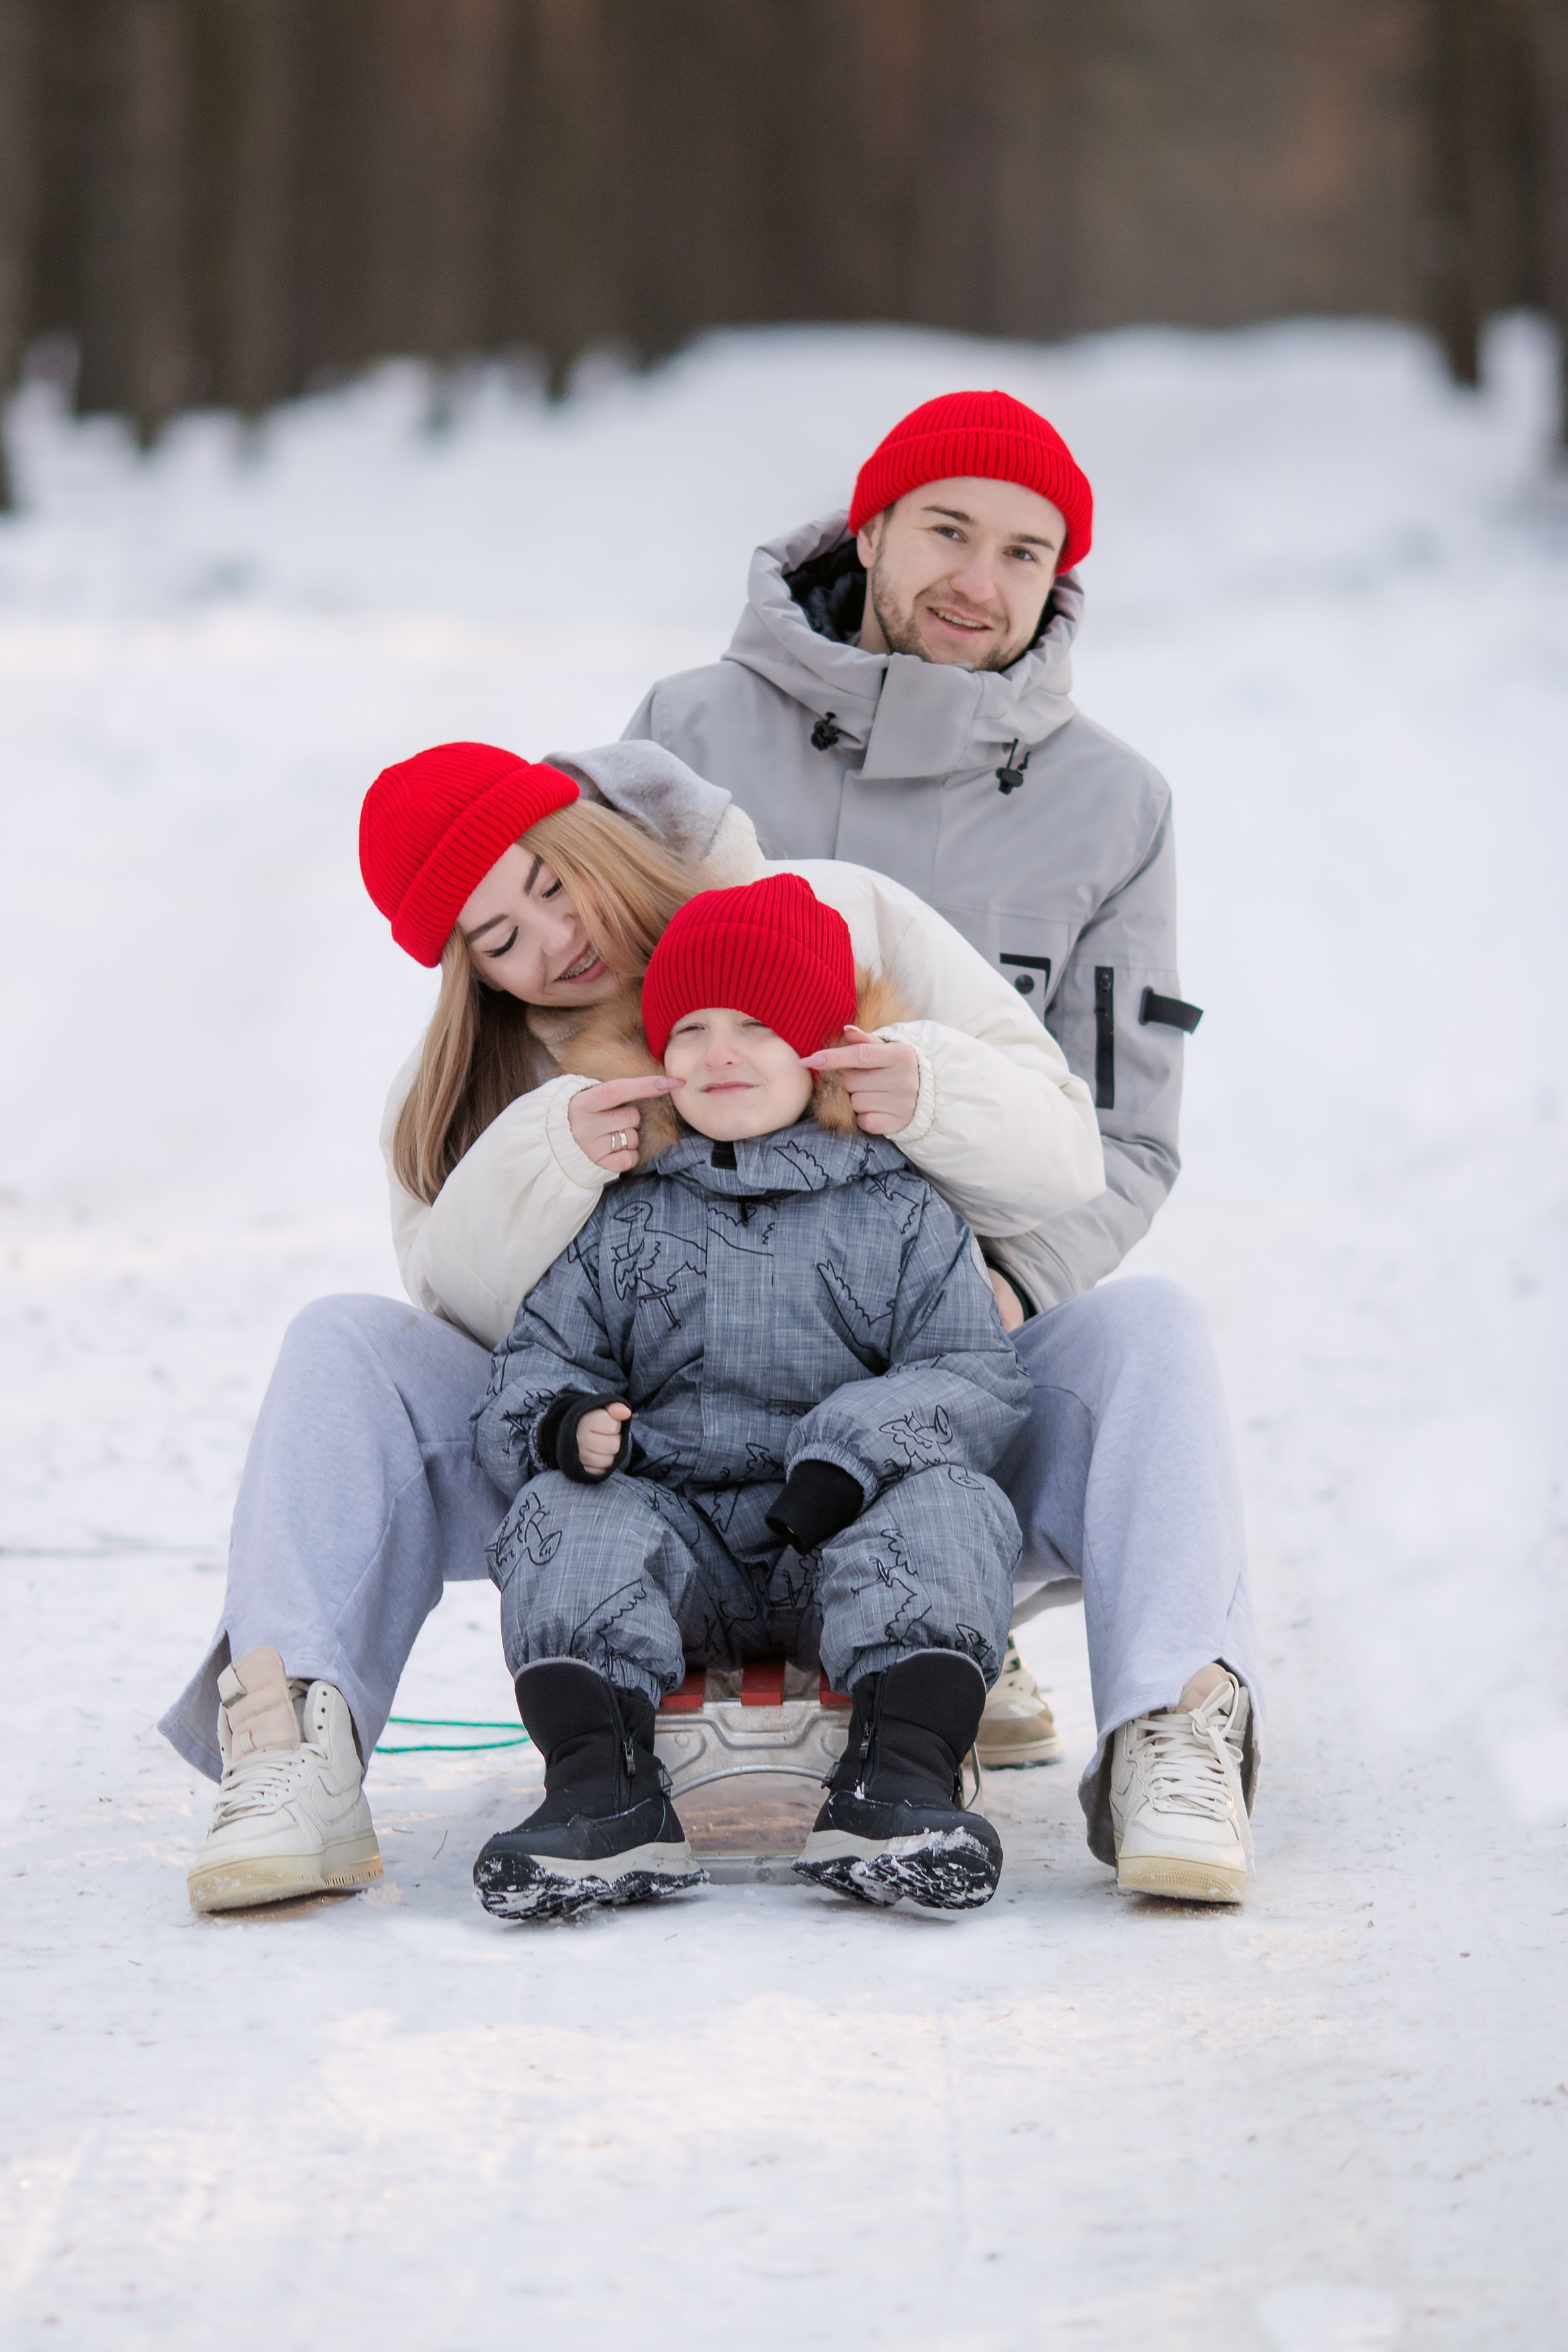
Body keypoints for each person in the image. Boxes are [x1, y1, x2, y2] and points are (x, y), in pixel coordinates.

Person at [165, 738, 1105, 1913]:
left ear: (592, 833)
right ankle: (297, 1736)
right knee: (338, 1341)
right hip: (640, 1485)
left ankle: (1156, 1718)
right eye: (499, 939)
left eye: (551, 883)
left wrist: (930, 1097)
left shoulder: (843, 917)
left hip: (883, 1463)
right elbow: (462, 1321)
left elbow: (1069, 1165)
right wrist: (547, 1163)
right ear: (467, 974)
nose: (555, 943)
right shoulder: (469, 1078)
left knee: (1139, 1341)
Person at [623, 389, 1259, 1903]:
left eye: (1024, 553)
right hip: (709, 1314)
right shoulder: (683, 734)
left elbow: (1123, 1129)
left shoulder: (1111, 804)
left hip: (954, 1319)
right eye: (947, 531)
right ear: (872, 529)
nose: (980, 580)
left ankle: (1173, 1722)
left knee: (1154, 1336)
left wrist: (1016, 1287)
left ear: (1060, 582)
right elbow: (585, 1022)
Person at [469, 874, 1032, 1921]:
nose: (716, 1053)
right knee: (560, 1513)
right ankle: (601, 1793)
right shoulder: (619, 1213)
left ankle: (899, 1785)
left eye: (755, 1026)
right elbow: (535, 1362)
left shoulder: (901, 1208)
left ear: (822, 1047)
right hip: (674, 1539)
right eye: (688, 1028)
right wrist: (563, 1423)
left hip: (845, 1536)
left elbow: (971, 1373)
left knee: (950, 1506)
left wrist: (848, 1452)